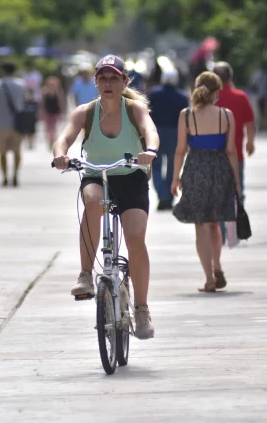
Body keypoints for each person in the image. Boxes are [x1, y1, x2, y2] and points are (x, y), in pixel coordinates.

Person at [52, 54, 160, 340]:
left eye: (114, 78)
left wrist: (149, 151)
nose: (108, 83)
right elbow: (63, 137)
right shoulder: (85, 112)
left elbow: (151, 131)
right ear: (96, 82)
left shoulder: (134, 109)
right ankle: (86, 274)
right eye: (103, 78)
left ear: (124, 81)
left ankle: (141, 308)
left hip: (131, 176)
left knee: (136, 238)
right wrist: (61, 155)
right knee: (91, 200)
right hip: (96, 173)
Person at [171, 72, 242, 292]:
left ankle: (209, 278)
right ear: (217, 92)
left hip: (196, 168)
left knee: (200, 225)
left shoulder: (186, 115)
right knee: (214, 223)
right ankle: (218, 265)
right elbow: (231, 150)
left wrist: (175, 177)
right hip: (220, 168)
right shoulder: (226, 115)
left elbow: (181, 149)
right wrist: (237, 181)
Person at [213, 61, 256, 244]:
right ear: (230, 77)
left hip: (213, 155)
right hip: (236, 154)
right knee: (237, 190)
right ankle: (235, 227)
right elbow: (250, 122)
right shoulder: (240, 96)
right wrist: (250, 142)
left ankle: (221, 232)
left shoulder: (210, 99)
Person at [147, 65, 189, 210]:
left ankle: (162, 195)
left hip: (156, 133)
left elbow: (148, 115)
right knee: (172, 165)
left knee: (156, 165)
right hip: (175, 134)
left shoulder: (153, 94)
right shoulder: (183, 96)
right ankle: (169, 196)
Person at [0, 61, 26, 187]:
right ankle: (15, 174)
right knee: (17, 151)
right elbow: (25, 101)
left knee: (2, 152)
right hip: (18, 123)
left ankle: (4, 176)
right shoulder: (21, 84)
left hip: (2, 123)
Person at [40, 75, 66, 150]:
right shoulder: (45, 91)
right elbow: (42, 103)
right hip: (47, 112)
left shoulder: (58, 91)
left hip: (55, 112)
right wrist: (41, 112)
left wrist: (62, 112)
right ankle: (49, 140)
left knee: (54, 127)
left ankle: (52, 141)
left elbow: (61, 102)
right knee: (47, 127)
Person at [22, 58, 43, 149]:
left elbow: (38, 86)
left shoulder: (37, 75)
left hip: (35, 100)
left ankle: (32, 139)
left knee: (34, 120)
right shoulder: (24, 75)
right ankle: (27, 139)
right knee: (26, 120)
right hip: (26, 100)